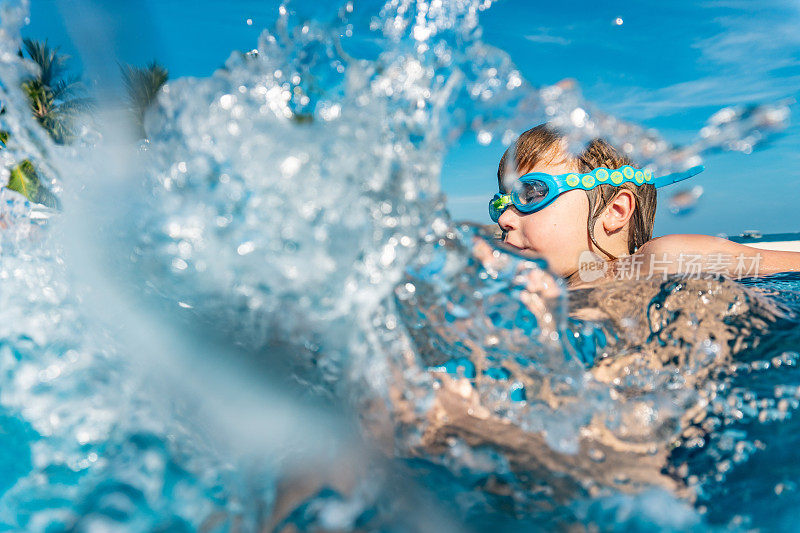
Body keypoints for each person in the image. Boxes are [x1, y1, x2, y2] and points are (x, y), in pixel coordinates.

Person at [489, 124, 800, 286]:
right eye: (500, 203)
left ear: (616, 211)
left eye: (529, 194)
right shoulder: (523, 294)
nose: (504, 218)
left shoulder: (651, 264)